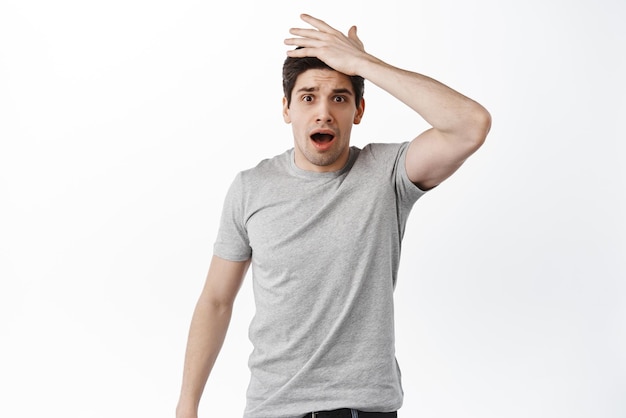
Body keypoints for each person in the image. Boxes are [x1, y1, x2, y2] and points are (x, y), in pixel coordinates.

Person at [176, 13, 491, 418]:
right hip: (274, 410)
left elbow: (470, 125)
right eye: (308, 97)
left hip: (366, 410)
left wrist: (363, 64)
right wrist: (187, 406)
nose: (323, 112)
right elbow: (216, 301)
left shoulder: (387, 172)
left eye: (339, 98)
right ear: (287, 108)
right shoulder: (250, 187)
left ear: (358, 110)